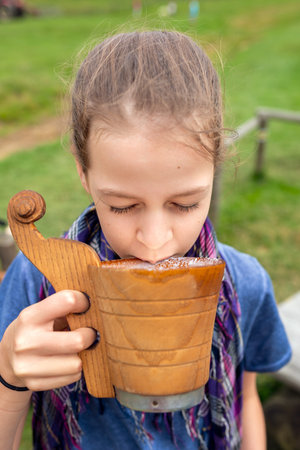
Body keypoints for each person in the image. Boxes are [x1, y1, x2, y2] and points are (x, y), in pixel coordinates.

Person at [0, 31, 291, 450]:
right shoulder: (39, 285)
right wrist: (9, 379)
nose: (155, 244)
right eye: (122, 207)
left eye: (185, 203)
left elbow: (246, 399)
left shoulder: (245, 283)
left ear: (214, 170)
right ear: (84, 173)